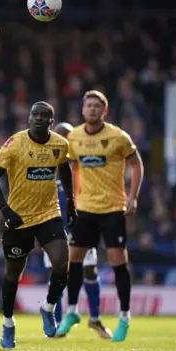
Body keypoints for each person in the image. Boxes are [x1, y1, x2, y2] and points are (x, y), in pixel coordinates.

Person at [56, 90, 144, 343]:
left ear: (104, 111)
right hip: (86, 208)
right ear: (82, 110)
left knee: (118, 260)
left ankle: (125, 317)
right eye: (88, 105)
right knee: (75, 259)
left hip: (113, 208)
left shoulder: (118, 137)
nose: (92, 109)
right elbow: (73, 167)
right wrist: (74, 197)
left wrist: (133, 196)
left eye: (97, 106)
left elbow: (137, 164)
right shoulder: (74, 137)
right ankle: (72, 311)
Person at [0, 102, 75, 348]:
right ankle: (8, 323)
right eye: (35, 114)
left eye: (44, 116)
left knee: (61, 262)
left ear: (51, 122)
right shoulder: (14, 143)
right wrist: (6, 211)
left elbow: (65, 169)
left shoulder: (60, 144)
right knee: (13, 274)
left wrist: (71, 202)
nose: (38, 118)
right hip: (19, 218)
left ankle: (48, 307)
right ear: (28, 119)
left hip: (48, 214)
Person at [44, 122, 111, 339]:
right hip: (54, 228)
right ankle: (58, 322)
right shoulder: (47, 162)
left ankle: (95, 319)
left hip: (80, 226)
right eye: (61, 135)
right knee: (57, 274)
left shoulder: (82, 164)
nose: (65, 139)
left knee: (89, 270)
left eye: (68, 136)